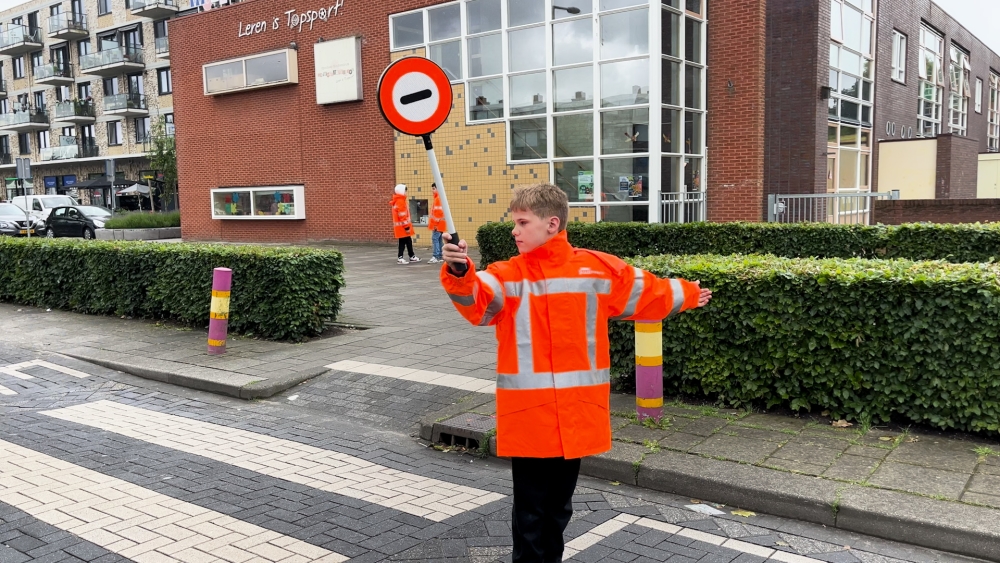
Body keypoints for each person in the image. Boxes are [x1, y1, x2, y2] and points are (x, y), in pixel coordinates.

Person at [439, 183, 712, 563]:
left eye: (522, 221)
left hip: (570, 415)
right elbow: (477, 301)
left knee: (558, 511)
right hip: (537, 417)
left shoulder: (594, 269)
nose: (514, 231)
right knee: (531, 514)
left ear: (552, 223)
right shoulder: (509, 275)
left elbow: (648, 292)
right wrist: (459, 269)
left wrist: (685, 293)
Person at [390, 183, 419, 264]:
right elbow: (402, 216)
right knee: (404, 242)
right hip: (403, 227)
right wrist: (406, 227)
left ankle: (411, 256)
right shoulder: (400, 202)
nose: (406, 193)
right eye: (405, 191)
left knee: (407, 241)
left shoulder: (398, 201)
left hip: (401, 227)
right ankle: (402, 257)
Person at [427, 182, 447, 264]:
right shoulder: (439, 198)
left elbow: (438, 214)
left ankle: (436, 256)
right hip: (441, 224)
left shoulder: (438, 199)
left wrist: (435, 224)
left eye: (434, 188)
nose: (432, 190)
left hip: (437, 224)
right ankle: (441, 255)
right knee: (439, 240)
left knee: (435, 239)